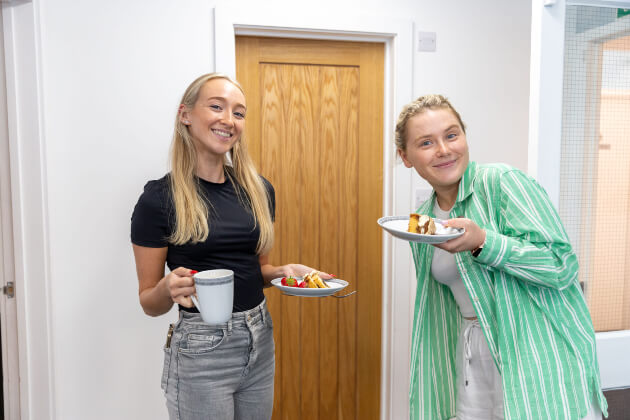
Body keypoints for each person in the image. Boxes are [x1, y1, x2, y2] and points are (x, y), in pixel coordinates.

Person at [395, 94, 608, 420]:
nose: (444, 149)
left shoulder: (503, 182)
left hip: (536, 351)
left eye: (452, 135)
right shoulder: (423, 219)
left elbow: (561, 266)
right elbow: (439, 302)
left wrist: (484, 243)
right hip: (471, 355)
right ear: (405, 156)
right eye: (426, 143)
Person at [131, 73, 329, 419]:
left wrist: (283, 272)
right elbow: (149, 301)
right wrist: (166, 287)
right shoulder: (158, 199)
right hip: (201, 348)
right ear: (186, 115)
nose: (229, 120)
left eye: (239, 112)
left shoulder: (258, 190)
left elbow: (258, 271)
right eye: (217, 106)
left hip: (260, 336)